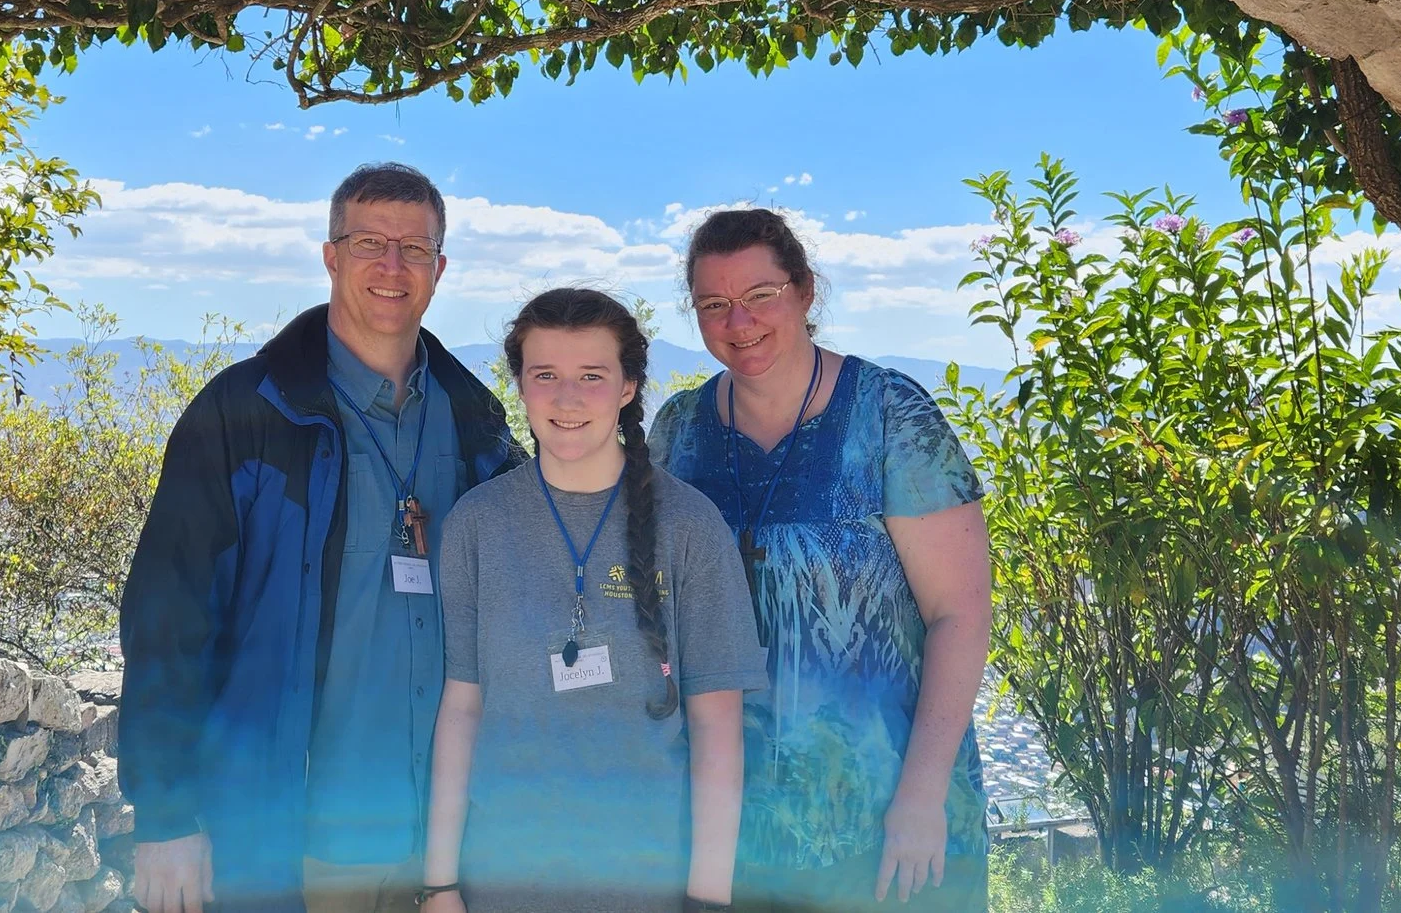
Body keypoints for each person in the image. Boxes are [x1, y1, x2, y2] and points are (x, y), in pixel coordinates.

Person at [121, 163, 522, 913]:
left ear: (440, 267)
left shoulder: (476, 420)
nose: (392, 266)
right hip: (293, 839)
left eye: (414, 247)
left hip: (448, 844)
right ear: (331, 256)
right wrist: (166, 813)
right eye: (369, 242)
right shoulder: (246, 413)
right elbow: (169, 614)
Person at [650, 208, 994, 912]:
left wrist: (923, 795)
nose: (739, 321)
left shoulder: (888, 415)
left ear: (805, 291)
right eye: (714, 304)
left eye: (761, 294)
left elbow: (959, 613)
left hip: (886, 825)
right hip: (729, 831)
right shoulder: (679, 431)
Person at [421, 288, 767, 913]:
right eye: (545, 375)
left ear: (628, 386)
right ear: (520, 386)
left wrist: (708, 898)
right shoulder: (477, 522)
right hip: (501, 881)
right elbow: (462, 708)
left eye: (591, 376)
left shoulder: (690, 526)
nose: (567, 398)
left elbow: (717, 724)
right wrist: (440, 883)